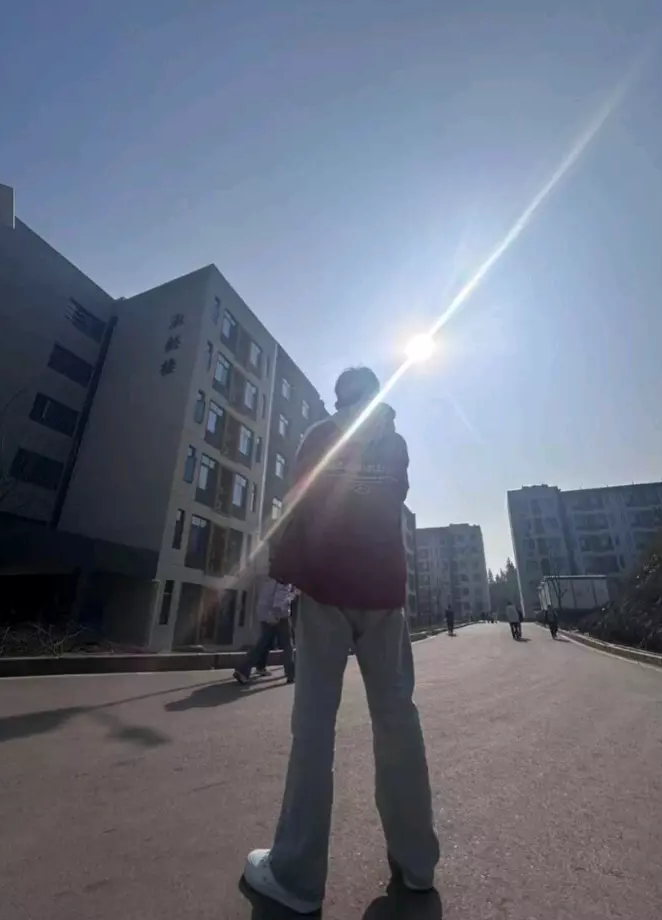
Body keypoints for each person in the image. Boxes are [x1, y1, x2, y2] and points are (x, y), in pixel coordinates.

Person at [242, 366, 439, 914]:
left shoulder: (321, 436)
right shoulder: (395, 444)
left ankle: (297, 876)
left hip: (326, 591)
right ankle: (417, 862)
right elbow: (392, 499)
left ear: (338, 398)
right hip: (385, 594)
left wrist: (282, 568)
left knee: (314, 729)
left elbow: (299, 506)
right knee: (398, 722)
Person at [233, 568, 295, 686]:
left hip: (265, 612)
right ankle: (291, 674)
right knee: (287, 645)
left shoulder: (270, 575)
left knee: (264, 642)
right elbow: (281, 596)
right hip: (278, 614)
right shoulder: (285, 575)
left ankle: (252, 668)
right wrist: (278, 612)